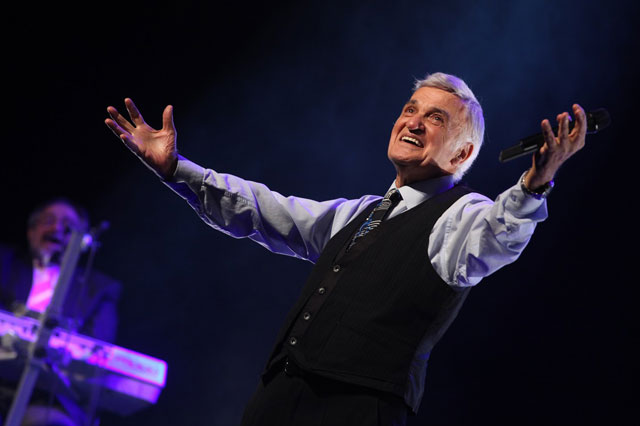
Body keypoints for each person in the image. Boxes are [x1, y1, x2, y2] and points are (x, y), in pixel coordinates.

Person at [105, 72, 586, 426]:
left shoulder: (460, 216)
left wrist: (535, 183)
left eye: (435, 118)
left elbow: (500, 234)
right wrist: (176, 170)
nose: (414, 122)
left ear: (462, 154)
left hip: (356, 411)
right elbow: (259, 210)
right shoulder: (358, 213)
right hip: (277, 402)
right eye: (411, 109)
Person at [0, 198, 121, 426]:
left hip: (51, 396)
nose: (56, 228)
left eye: (68, 227)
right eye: (48, 221)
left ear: (82, 242)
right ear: (31, 231)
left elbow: (97, 349)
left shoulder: (100, 289)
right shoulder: (5, 262)